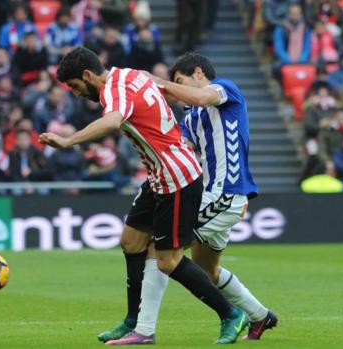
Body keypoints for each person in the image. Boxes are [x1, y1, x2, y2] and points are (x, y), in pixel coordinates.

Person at [39, 47, 248, 344]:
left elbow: (112, 121)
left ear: (88, 75)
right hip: (160, 174)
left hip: (176, 178)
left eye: (75, 86)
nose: (75, 93)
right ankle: (133, 321)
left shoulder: (113, 92)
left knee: (168, 261)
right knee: (131, 240)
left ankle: (230, 314)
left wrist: (68, 140)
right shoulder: (130, 74)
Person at [104, 53, 278, 345]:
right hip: (209, 196)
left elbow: (202, 98)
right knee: (207, 270)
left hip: (224, 194)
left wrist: (159, 82)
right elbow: (178, 149)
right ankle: (260, 315)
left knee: (160, 249)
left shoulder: (225, 89)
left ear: (198, 73)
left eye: (180, 82)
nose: (176, 90)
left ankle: (144, 329)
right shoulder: (191, 118)